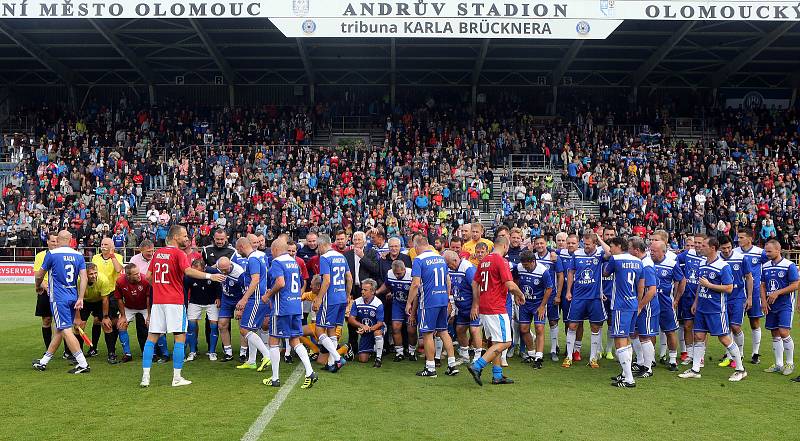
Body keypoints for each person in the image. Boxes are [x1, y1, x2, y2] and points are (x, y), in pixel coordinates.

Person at [139, 225, 225, 388]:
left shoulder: (157, 253)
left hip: (158, 302)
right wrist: (210, 276)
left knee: (151, 339)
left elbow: (148, 277)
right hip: (174, 302)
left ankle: (145, 377)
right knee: (180, 337)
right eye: (184, 236)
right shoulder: (178, 253)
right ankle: (177, 378)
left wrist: (159, 287)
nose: (187, 238)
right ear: (176, 237)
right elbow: (188, 271)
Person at [678, 236, 747, 382]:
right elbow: (700, 285)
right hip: (702, 307)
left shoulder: (723, 266)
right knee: (698, 337)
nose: (700, 247)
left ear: (712, 248)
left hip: (716, 309)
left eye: (703, 245)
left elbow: (729, 288)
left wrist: (710, 285)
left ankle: (741, 369)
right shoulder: (702, 263)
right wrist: (696, 302)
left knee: (724, 338)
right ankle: (695, 369)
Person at [467, 236, 524, 386]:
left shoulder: (484, 260)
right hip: (496, 306)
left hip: (485, 306)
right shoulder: (501, 260)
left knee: (496, 341)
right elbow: (510, 285)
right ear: (506, 246)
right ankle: (477, 365)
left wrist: (477, 303)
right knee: (506, 342)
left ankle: (497, 375)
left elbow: (475, 283)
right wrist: (520, 294)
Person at [261, 237, 318, 388]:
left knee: (273, 341)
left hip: (282, 309)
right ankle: (310, 372)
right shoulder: (294, 262)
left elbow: (280, 283)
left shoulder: (277, 262)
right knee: (294, 340)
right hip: (295, 306)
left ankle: (275, 378)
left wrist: (268, 294)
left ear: (275, 250)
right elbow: (298, 283)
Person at [32, 230, 90, 374]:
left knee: (65, 329)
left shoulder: (51, 254)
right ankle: (44, 361)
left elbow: (40, 275)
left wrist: (38, 285)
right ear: (71, 240)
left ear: (58, 240)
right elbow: (84, 278)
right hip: (73, 296)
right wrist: (81, 297)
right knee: (59, 329)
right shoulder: (78, 255)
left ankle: (83, 364)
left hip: (59, 298)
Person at [407, 235, 460, 378]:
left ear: (416, 246)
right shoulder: (440, 258)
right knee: (443, 331)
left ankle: (430, 368)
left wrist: (409, 303)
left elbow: (416, 284)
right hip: (442, 299)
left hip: (428, 301)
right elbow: (448, 281)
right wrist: (447, 297)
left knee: (427, 333)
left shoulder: (418, 260)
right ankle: (452, 364)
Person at [563, 233, 608, 369]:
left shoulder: (600, 254)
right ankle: (569, 356)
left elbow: (610, 252)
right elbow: (571, 272)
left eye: (588, 244)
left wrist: (599, 238)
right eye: (584, 243)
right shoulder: (577, 254)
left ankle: (593, 358)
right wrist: (569, 291)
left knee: (595, 327)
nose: (586, 246)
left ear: (595, 244)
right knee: (572, 326)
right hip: (578, 297)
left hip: (595, 297)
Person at [604, 237, 642, 388]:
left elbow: (606, 273)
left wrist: (606, 258)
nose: (610, 249)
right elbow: (641, 284)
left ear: (619, 246)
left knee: (620, 340)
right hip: (633, 303)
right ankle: (626, 374)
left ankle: (629, 379)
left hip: (620, 304)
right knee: (626, 339)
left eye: (612, 246)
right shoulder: (638, 261)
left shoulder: (616, 259)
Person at [312, 233, 352, 373]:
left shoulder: (324, 258)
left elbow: (327, 281)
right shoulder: (341, 256)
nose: (318, 249)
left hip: (330, 299)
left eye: (318, 246)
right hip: (341, 298)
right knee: (332, 331)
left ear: (322, 244)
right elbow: (349, 278)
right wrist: (347, 295)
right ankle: (331, 364)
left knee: (319, 329)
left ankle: (336, 357)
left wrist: (319, 298)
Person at [759, 240, 799, 379]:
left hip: (785, 304)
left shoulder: (789, 265)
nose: (767, 253)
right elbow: (762, 285)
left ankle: (789, 363)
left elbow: (795, 285)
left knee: (783, 331)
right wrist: (763, 301)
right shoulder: (765, 266)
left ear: (778, 250)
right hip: (771, 305)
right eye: (766, 251)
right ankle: (778, 364)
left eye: (769, 251)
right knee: (774, 333)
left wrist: (777, 293)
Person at [233, 237, 273, 372]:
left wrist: (244, 299)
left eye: (238, 250)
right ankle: (251, 361)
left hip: (256, 299)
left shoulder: (253, 259)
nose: (239, 253)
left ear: (242, 246)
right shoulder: (260, 257)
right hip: (260, 298)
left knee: (245, 329)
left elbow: (255, 280)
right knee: (252, 329)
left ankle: (267, 355)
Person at [513, 249, 553, 369]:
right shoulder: (519, 267)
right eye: (523, 265)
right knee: (524, 329)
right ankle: (531, 353)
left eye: (527, 265)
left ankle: (539, 357)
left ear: (533, 261)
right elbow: (515, 280)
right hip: (524, 303)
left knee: (539, 328)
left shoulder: (543, 271)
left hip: (538, 304)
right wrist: (516, 294)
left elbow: (549, 289)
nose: (525, 267)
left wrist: (542, 306)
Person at [130, 239, 170, 360]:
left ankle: (161, 351)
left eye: (152, 250)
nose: (151, 253)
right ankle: (147, 351)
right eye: (148, 251)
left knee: (157, 321)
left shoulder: (157, 257)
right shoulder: (134, 260)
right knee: (142, 324)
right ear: (141, 250)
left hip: (156, 292)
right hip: (140, 294)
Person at [649, 238, 685, 371]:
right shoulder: (646, 262)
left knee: (670, 331)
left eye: (654, 251)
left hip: (665, 304)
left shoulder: (671, 263)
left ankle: (673, 360)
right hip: (650, 303)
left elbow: (682, 281)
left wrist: (676, 300)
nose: (651, 253)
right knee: (650, 332)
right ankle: (650, 358)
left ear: (663, 252)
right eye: (650, 250)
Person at [717, 235, 753, 369]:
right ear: (719, 247)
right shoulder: (716, 259)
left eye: (728, 247)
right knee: (725, 327)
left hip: (738, 296)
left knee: (735, 326)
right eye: (723, 248)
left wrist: (749, 297)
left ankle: (740, 354)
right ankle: (729, 355)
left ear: (732, 246)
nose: (726, 250)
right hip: (722, 297)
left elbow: (749, 277)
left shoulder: (741, 258)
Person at [344, 231, 381, 357]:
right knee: (351, 317)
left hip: (367, 290)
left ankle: (370, 346)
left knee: (368, 318)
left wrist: (362, 257)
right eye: (355, 239)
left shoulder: (371, 252)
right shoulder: (347, 254)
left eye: (360, 239)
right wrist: (347, 292)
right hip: (352, 289)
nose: (357, 241)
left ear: (365, 241)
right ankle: (352, 346)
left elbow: (376, 270)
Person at [734, 230, 768, 364]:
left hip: (754, 292)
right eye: (738, 237)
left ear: (750, 239)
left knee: (754, 322)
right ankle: (735, 354)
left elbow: (769, 265)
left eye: (741, 237)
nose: (738, 239)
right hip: (737, 293)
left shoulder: (760, 252)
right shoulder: (735, 251)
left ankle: (755, 353)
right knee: (734, 324)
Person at [627, 238, 659, 378]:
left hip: (648, 306)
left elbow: (652, 290)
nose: (628, 251)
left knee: (645, 336)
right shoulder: (640, 262)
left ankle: (648, 368)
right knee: (635, 333)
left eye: (629, 248)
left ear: (636, 250)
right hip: (640, 304)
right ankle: (641, 362)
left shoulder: (646, 265)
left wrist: (640, 306)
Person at [444, 250, 481, 365]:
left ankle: (478, 356)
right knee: (460, 329)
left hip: (472, 306)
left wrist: (475, 306)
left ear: (455, 260)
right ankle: (464, 356)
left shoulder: (468, 268)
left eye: (449, 264)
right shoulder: (451, 269)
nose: (448, 266)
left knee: (474, 330)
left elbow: (477, 287)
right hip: (461, 307)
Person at [76, 263, 118, 363]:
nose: (94, 275)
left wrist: (106, 316)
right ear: (84, 274)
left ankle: (111, 354)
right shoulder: (78, 281)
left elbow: (105, 300)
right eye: (91, 274)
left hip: (100, 301)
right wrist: (77, 317)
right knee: (79, 326)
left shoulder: (103, 280)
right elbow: (76, 299)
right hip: (84, 301)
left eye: (95, 273)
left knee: (106, 325)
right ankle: (78, 355)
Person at [90, 238, 124, 361]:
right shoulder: (95, 257)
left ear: (111, 246)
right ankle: (93, 347)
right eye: (102, 244)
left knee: (113, 321)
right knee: (97, 320)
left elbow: (119, 269)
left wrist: (112, 255)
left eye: (106, 244)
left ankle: (112, 349)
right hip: (99, 293)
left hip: (112, 292)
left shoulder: (117, 257)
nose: (103, 246)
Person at [377, 259, 416, 361]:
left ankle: (411, 351)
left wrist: (413, 308)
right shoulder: (390, 273)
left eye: (399, 273)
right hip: (397, 303)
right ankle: (399, 352)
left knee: (411, 330)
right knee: (395, 327)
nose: (397, 276)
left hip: (410, 304)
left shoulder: (412, 274)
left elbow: (416, 292)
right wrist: (377, 292)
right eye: (395, 274)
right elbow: (386, 285)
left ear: (404, 269)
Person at [675, 234, 705, 365]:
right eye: (695, 243)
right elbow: (675, 263)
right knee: (687, 326)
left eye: (700, 243)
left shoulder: (708, 257)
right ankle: (690, 354)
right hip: (687, 296)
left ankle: (701, 356)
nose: (697, 245)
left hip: (703, 297)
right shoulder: (686, 255)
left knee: (701, 328)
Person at [184, 258, 221, 362]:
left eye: (198, 271)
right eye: (194, 270)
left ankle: (212, 352)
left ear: (204, 269)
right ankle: (192, 351)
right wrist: (185, 303)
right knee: (191, 326)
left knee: (214, 326)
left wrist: (218, 297)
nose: (195, 273)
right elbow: (185, 290)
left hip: (211, 302)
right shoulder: (188, 276)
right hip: (195, 302)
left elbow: (219, 286)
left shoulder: (213, 272)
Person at [115, 263, 151, 362]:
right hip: (129, 307)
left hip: (144, 307)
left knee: (153, 326)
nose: (138, 275)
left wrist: (149, 315)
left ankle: (156, 353)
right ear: (128, 275)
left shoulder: (145, 280)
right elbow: (119, 299)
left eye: (138, 272)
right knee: (121, 325)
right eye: (135, 274)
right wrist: (122, 316)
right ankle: (127, 354)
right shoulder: (120, 281)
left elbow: (149, 299)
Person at [213, 256, 246, 362]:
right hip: (226, 299)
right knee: (222, 324)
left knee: (242, 327)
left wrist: (241, 308)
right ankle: (228, 352)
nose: (223, 272)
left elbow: (245, 292)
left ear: (230, 265)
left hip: (239, 299)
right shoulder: (219, 267)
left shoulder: (239, 273)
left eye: (225, 270)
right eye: (221, 270)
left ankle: (243, 353)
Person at [533, 236, 560, 361]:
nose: (539, 246)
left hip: (552, 294)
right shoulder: (533, 258)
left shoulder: (553, 257)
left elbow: (560, 276)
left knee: (553, 321)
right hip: (538, 297)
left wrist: (558, 295)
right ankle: (538, 350)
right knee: (539, 324)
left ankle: (554, 349)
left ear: (546, 244)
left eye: (542, 243)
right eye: (537, 243)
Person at [347, 279, 385, 368]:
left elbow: (380, 323)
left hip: (377, 328)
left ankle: (378, 358)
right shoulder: (357, 302)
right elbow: (351, 319)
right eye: (362, 289)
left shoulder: (378, 304)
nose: (362, 292)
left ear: (372, 292)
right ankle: (374, 348)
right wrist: (362, 326)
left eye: (365, 290)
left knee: (377, 333)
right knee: (362, 359)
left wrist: (368, 329)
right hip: (365, 330)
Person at [33, 232, 59, 351]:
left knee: (63, 322)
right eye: (53, 241)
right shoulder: (40, 256)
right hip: (45, 291)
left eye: (57, 241)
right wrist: (47, 287)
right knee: (47, 320)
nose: (55, 243)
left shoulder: (62, 255)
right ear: (47, 242)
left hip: (60, 292)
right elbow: (38, 275)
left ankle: (68, 351)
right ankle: (48, 349)